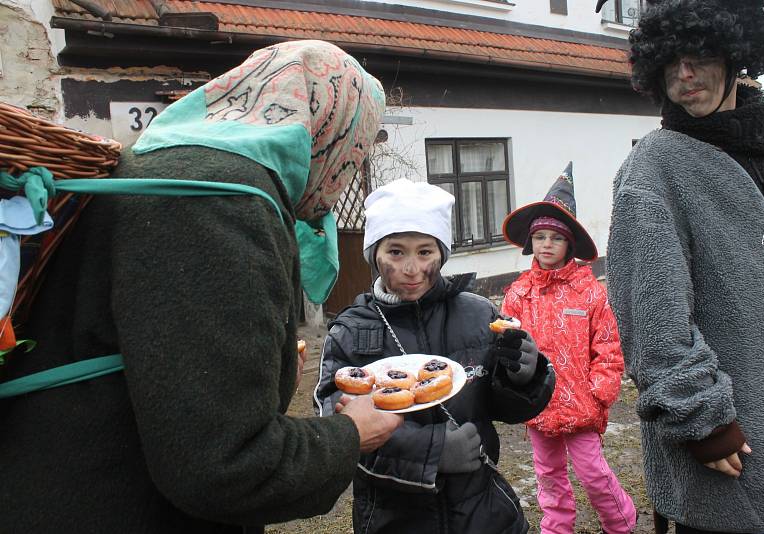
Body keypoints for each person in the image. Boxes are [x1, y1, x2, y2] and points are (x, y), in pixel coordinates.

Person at [0, 40, 403, 533]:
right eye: (356, 151)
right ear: (331, 132)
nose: (343, 180)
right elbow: (223, 467)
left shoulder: (167, 167)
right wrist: (350, 434)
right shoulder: (218, 201)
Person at [605, 1, 764, 532]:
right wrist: (701, 420)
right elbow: (651, 315)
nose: (684, 75)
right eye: (671, 62)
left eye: (701, 55)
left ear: (739, 55)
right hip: (719, 435)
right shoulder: (654, 167)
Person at [313, 178, 556, 534]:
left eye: (424, 252)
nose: (411, 269)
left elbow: (504, 408)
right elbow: (337, 436)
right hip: (394, 520)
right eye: (396, 252)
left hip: (483, 513)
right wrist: (432, 452)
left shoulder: (478, 315)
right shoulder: (349, 333)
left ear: (441, 253)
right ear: (374, 254)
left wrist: (524, 377)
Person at [500, 163, 637, 534]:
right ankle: (556, 527)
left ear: (569, 245)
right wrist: (514, 388)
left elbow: (608, 347)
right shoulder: (518, 293)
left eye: (555, 238)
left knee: (593, 473)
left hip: (581, 402)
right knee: (548, 475)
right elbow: (507, 347)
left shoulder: (591, 292)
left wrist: (600, 391)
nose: (547, 245)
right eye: (540, 237)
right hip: (538, 403)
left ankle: (620, 522)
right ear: (531, 242)